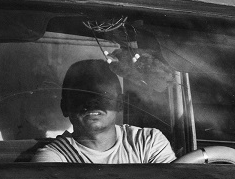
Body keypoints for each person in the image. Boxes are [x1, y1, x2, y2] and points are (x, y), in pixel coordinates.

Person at [32, 59, 176, 164]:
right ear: (65, 107)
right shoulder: (53, 159)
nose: (92, 103)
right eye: (81, 95)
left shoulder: (148, 142)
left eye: (102, 94)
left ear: (120, 103)